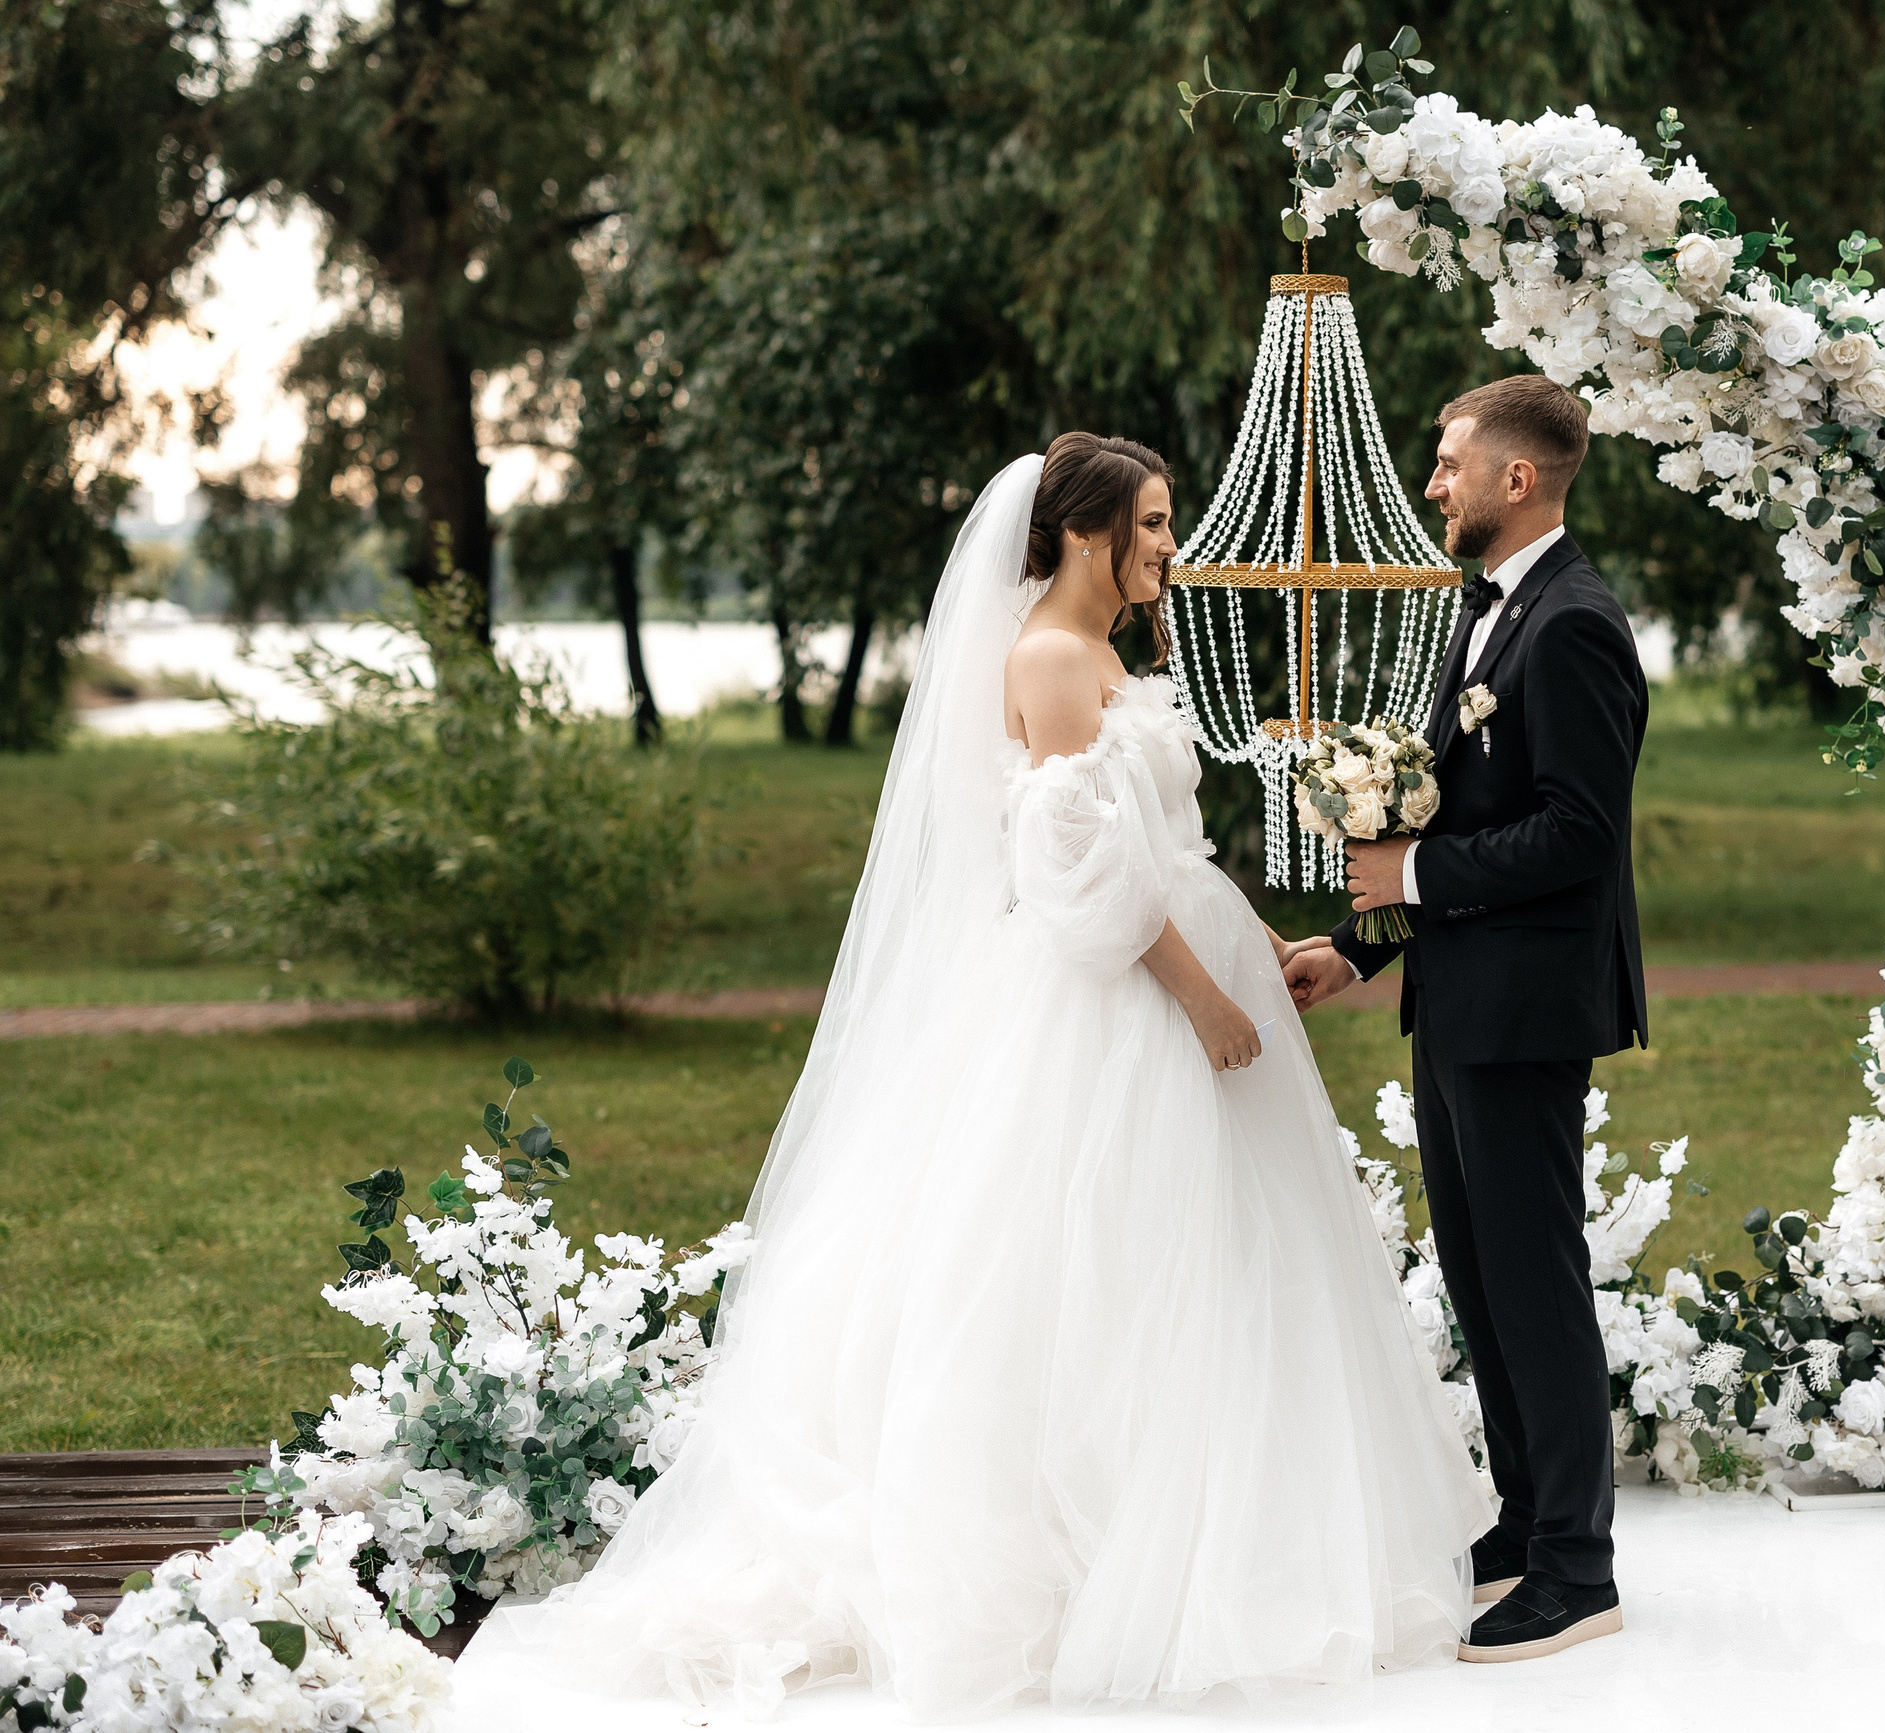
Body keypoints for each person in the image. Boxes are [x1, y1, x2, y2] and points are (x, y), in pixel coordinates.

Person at [452, 434, 1487, 1725]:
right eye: (1154, 523)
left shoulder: (1103, 652)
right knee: (1102, 1263)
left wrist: (1255, 936)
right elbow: (1080, 876)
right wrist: (1209, 996)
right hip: (1111, 1003)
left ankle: (1208, 1531)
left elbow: (1149, 843)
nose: (1172, 545)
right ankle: (1102, 1562)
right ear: (1082, 532)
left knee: (1213, 1256)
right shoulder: (1055, 658)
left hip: (1172, 959)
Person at [1285, 375, 1649, 1665]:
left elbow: (1580, 836)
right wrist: (1357, 945)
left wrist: (1415, 882)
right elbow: (1451, 813)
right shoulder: (1486, 614)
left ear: (1517, 478)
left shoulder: (1573, 627)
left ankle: (1578, 1566)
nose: (1430, 482)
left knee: (1535, 1276)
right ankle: (1527, 1515)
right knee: (1484, 1271)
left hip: (1527, 1009)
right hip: (1456, 1001)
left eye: (1448, 464)